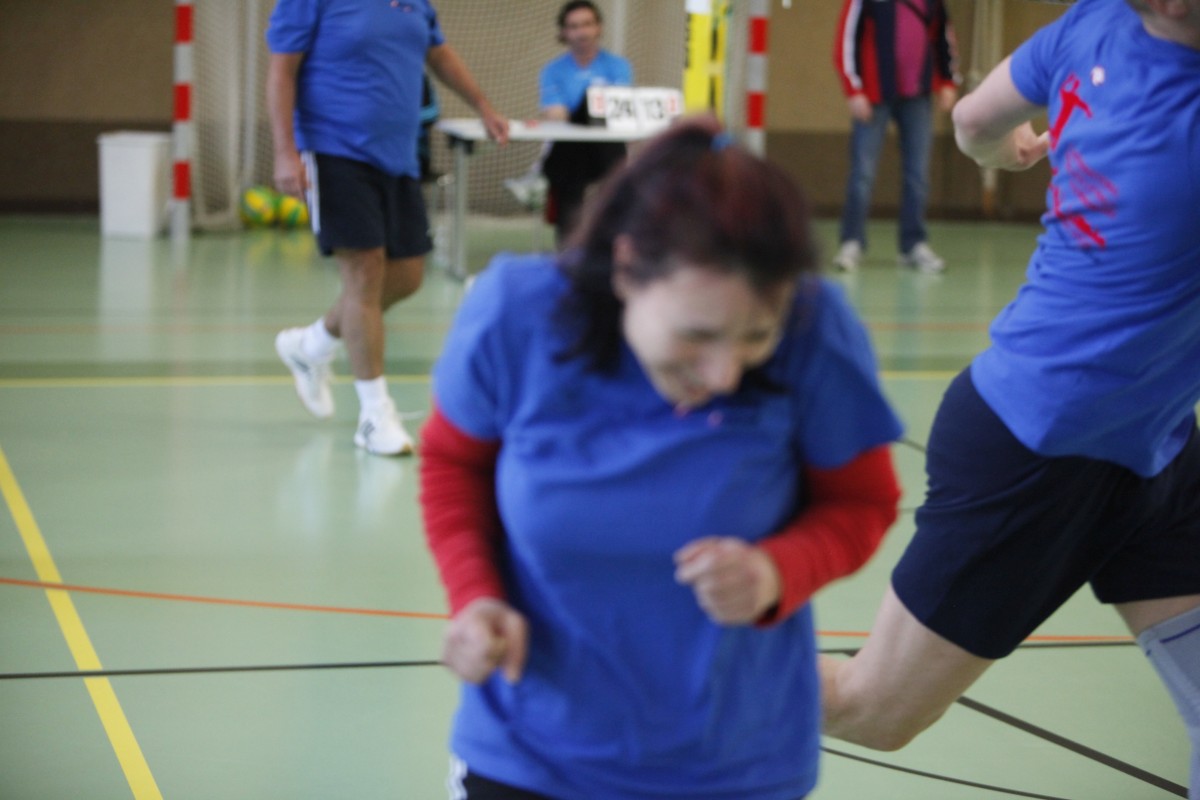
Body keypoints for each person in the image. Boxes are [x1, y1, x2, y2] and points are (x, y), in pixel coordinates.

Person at [418, 116, 904, 799]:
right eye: (697, 335)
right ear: (626, 269)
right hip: (531, 751)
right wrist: (475, 597)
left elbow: (862, 500)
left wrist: (776, 570)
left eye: (756, 336)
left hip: (732, 763)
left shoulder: (814, 326)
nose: (725, 372)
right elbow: (453, 465)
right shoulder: (518, 316)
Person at [820, 1, 1200, 796]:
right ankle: (645, 675)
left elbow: (972, 121)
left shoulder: (1090, 22)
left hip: (1156, 439)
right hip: (1038, 444)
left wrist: (1013, 150)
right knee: (872, 708)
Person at [266, 0, 508, 456]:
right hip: (334, 148)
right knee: (364, 272)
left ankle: (313, 343)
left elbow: (437, 52)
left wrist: (482, 105)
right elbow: (282, 71)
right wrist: (285, 151)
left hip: (397, 154)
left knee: (408, 276)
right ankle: (375, 415)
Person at [831, 0, 959, 274]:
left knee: (918, 175)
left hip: (918, 97)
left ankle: (913, 245)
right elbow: (846, 41)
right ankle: (852, 242)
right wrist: (854, 90)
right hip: (874, 96)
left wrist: (948, 81)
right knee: (862, 173)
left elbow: (943, 36)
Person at [507, 1, 633, 247]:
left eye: (587, 24)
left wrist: (587, 104)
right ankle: (568, 252)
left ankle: (537, 175)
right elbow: (556, 114)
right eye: (574, 26)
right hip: (571, 154)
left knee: (593, 105)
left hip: (607, 151)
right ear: (564, 32)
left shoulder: (619, 66)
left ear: (598, 27)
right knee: (569, 162)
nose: (582, 32)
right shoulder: (552, 71)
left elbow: (617, 112)